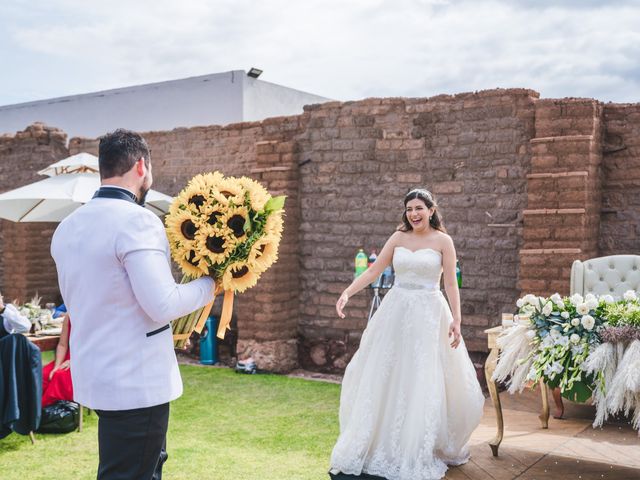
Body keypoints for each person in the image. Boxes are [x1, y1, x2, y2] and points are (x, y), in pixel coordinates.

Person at [51, 129, 215, 479]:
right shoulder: (138, 221)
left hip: (97, 378)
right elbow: (163, 303)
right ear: (141, 166)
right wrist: (210, 285)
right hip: (136, 385)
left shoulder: (66, 227)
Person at [329, 188, 485, 480]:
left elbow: (450, 283)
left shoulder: (443, 241)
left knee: (422, 375)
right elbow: (374, 271)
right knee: (387, 371)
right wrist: (347, 292)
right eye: (409, 209)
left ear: (431, 210)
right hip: (397, 311)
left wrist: (458, 319)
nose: (414, 214)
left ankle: (416, 445)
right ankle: (381, 440)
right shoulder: (398, 237)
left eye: (419, 208)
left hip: (429, 313)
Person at [41, 314, 73, 407]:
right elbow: (62, 344)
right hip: (66, 358)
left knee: (59, 376)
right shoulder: (69, 315)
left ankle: (43, 412)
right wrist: (56, 366)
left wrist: (74, 361)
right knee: (42, 374)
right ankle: (32, 411)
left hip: (83, 360)